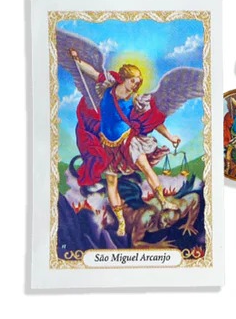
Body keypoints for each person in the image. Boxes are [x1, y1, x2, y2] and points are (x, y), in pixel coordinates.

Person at [69, 49, 181, 236]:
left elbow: (154, 121)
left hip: (129, 141)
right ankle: (121, 222)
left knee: (146, 168)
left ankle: (163, 202)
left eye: (138, 83)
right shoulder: (107, 87)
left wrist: (170, 137)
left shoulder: (137, 101)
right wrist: (77, 59)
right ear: (124, 78)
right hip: (107, 145)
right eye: (133, 81)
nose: (136, 85)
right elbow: (92, 72)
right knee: (111, 182)